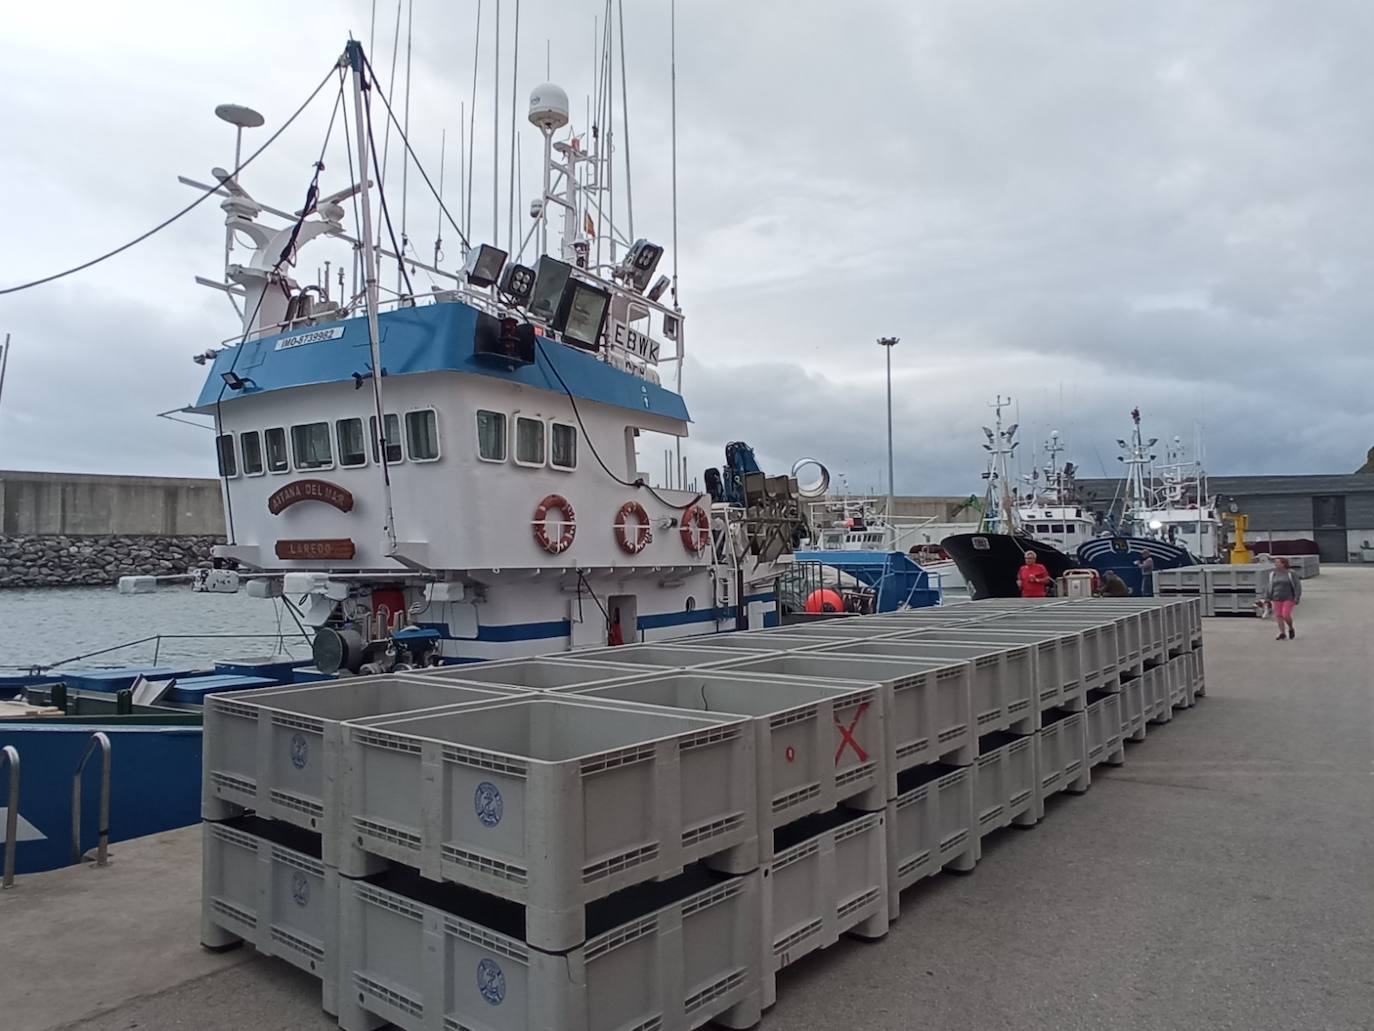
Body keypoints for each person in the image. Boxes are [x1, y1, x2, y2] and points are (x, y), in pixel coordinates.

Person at [1267, 556, 1302, 640]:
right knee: (1278, 615)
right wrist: (1267, 597)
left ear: (1284, 564)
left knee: (1285, 614)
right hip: (1276, 597)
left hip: (1289, 597)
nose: (1275, 564)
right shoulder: (1273, 574)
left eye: (1278, 562)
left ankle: (1290, 628)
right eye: (1275, 562)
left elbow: (1297, 586)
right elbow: (1269, 585)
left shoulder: (1291, 573)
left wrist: (1297, 597)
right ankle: (1282, 633)